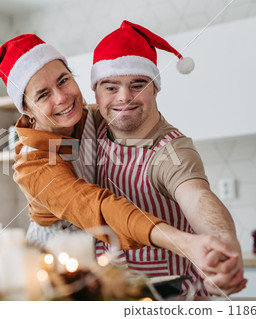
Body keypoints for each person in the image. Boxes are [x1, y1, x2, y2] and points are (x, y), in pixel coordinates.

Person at [0, 34, 242, 297]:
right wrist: (185, 243)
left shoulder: (97, 120)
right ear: (27, 110)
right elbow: (99, 207)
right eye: (43, 94)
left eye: (64, 80)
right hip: (57, 279)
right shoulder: (34, 164)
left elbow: (196, 196)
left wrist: (224, 242)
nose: (62, 98)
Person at [90, 20, 246, 296]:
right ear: (96, 92)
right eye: (111, 87)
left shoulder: (172, 150)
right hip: (111, 296)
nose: (124, 97)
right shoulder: (92, 126)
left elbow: (197, 197)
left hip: (173, 298)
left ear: (155, 89)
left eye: (138, 85)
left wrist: (223, 242)